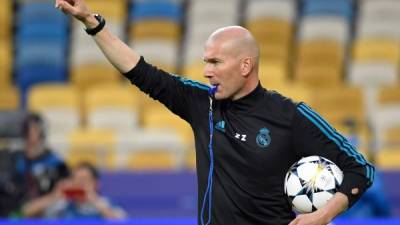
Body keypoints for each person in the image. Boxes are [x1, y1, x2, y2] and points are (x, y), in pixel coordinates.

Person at [55, 1, 375, 224]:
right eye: (206, 61)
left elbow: (361, 169)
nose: (206, 71)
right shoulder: (201, 103)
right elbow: (141, 72)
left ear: (245, 65)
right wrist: (92, 23)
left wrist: (323, 214)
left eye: (215, 62)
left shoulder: (290, 116)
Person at [11, 112, 70, 217]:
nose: (31, 134)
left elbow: (63, 190)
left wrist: (44, 202)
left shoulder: (55, 161)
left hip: (48, 210)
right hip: (19, 210)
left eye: (36, 130)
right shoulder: (16, 159)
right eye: (28, 130)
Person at [22, 162, 126, 219]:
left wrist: (94, 200)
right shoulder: (62, 206)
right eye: (75, 180)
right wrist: (53, 196)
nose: (79, 184)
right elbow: (21, 214)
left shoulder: (108, 204)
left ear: (95, 184)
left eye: (84, 180)